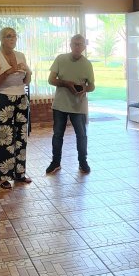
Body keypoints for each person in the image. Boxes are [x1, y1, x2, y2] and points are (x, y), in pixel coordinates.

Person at [0, 27, 32, 190]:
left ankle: (20, 173)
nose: (12, 39)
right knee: (4, 138)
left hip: (21, 99)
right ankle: (4, 177)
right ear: (1, 39)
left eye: (14, 36)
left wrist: (29, 72)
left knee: (21, 137)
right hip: (3, 99)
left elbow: (26, 81)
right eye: (8, 36)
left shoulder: (21, 55)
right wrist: (8, 72)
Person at [46, 34, 95, 174]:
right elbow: (51, 80)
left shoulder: (87, 64)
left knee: (81, 135)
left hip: (78, 105)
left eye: (80, 44)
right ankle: (55, 162)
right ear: (70, 45)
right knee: (57, 135)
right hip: (60, 104)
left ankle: (83, 162)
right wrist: (66, 83)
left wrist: (85, 89)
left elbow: (92, 86)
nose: (77, 46)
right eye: (74, 44)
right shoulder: (60, 59)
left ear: (84, 46)